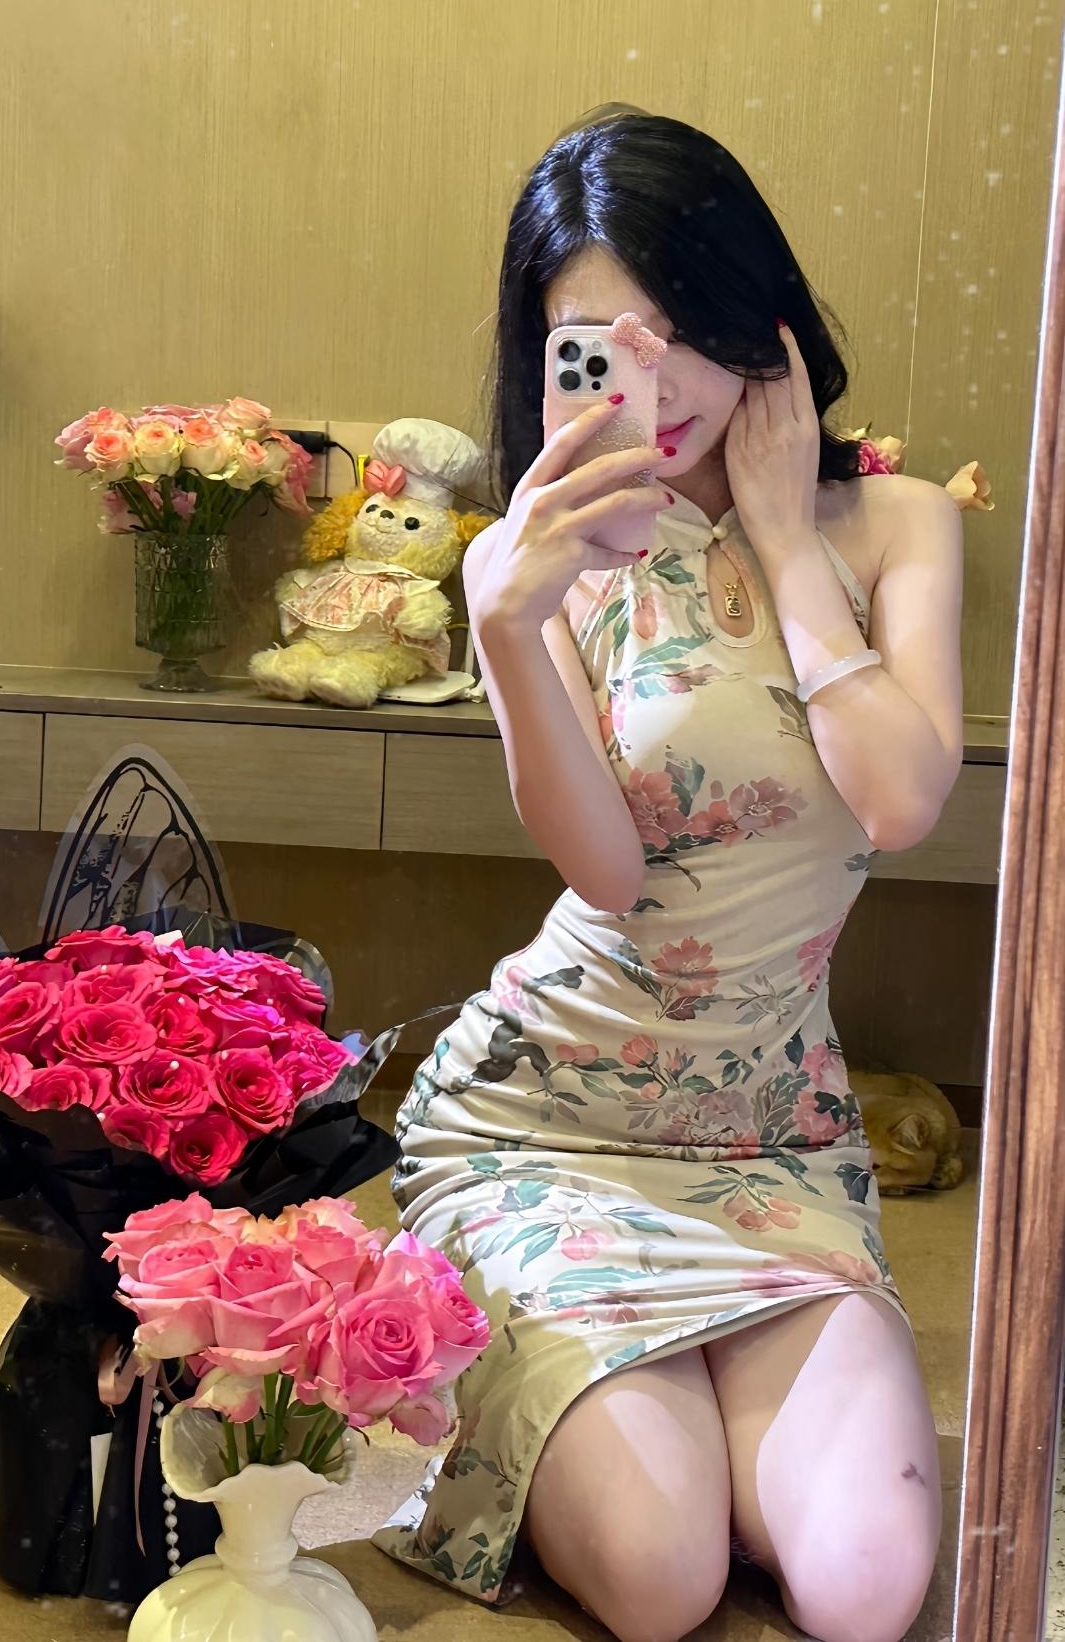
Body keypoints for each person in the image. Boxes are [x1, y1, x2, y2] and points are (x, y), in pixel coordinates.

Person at [371, 107, 962, 1642]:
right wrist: (507, 625)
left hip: (771, 1136)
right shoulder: (543, 566)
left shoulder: (891, 525)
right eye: (601, 345)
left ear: (758, 314)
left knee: (862, 1588)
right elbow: (606, 865)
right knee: (656, 1579)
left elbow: (901, 799)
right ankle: (585, 1370)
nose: (662, 380)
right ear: (547, 360)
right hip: (549, 1127)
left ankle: (695, 1397)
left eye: (685, 328)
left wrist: (782, 540)